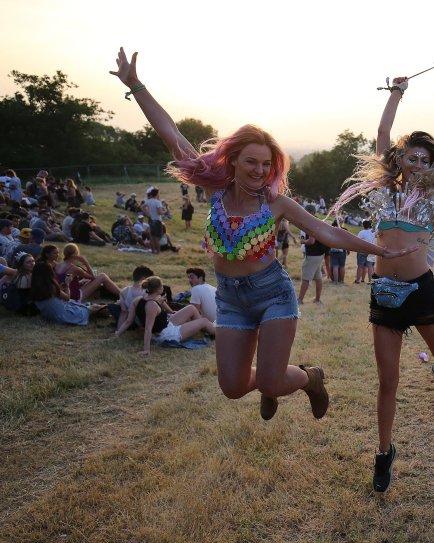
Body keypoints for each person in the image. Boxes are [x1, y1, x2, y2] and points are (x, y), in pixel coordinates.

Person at [110, 47, 412, 423]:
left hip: (272, 293)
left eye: (266, 164)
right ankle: (273, 384)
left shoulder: (276, 203)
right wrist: (135, 85)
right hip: (232, 298)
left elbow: (325, 232)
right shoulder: (214, 191)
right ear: (233, 159)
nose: (259, 170)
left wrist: (380, 250)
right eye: (251, 161)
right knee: (233, 387)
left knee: (270, 381)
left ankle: (309, 378)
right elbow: (171, 133)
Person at [331, 74, 434, 493]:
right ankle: (384, 453)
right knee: (388, 381)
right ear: (399, 159)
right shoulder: (386, 190)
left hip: (420, 289)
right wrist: (397, 91)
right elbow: (383, 132)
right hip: (384, 291)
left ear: (431, 163)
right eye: (410, 157)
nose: (417, 163)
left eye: (424, 158)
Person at [29, 261, 106, 325]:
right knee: (94, 308)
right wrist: (68, 284)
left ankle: (109, 310)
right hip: (65, 316)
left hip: (52, 316)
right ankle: (114, 309)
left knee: (92, 306)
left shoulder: (35, 287)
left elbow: (53, 296)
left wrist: (61, 287)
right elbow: (67, 297)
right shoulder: (51, 286)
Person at [48, 243, 120, 302]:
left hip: (64, 294)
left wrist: (81, 282)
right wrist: (85, 262)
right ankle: (123, 294)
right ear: (76, 254)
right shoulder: (74, 268)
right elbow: (93, 277)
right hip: (74, 297)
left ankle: (120, 293)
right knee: (102, 276)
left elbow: (65, 281)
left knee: (86, 280)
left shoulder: (58, 265)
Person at [298, 205, 329, 303]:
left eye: (305, 211)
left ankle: (300, 300)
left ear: (310, 212)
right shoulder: (318, 221)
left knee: (306, 278)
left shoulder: (311, 223)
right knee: (318, 277)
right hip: (319, 254)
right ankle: (317, 299)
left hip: (312, 254)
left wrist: (302, 241)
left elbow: (311, 241)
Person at [141, 188, 166, 254]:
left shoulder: (148, 201)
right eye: (159, 193)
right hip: (157, 221)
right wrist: (165, 211)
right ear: (157, 194)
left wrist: (147, 214)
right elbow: (159, 212)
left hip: (151, 220)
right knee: (157, 238)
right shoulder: (158, 202)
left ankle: (153, 251)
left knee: (152, 237)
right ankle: (158, 252)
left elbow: (142, 207)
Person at [354, 220, 375, 284]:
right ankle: (369, 280)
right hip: (371, 250)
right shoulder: (373, 232)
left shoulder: (361, 232)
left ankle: (358, 280)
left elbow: (357, 241)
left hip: (362, 250)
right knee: (369, 266)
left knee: (360, 266)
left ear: (363, 225)